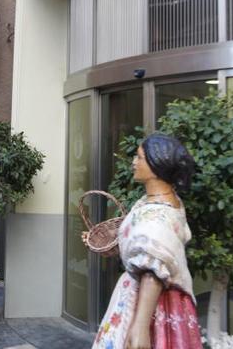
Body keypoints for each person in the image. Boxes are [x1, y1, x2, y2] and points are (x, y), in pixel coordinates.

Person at [87, 133, 202, 349]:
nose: (133, 162)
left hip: (149, 305)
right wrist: (114, 244)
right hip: (145, 295)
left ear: (157, 166)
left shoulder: (158, 217)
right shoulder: (159, 200)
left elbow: (152, 270)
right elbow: (142, 248)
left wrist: (139, 327)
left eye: (139, 158)